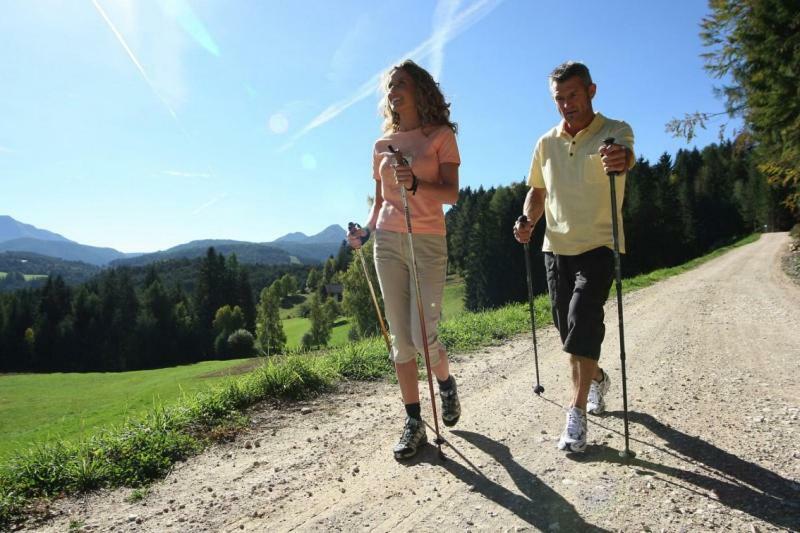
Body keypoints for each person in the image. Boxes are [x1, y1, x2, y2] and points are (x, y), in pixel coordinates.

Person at [514, 61, 634, 453]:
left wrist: (620, 159)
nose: (567, 104)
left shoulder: (615, 132)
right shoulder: (545, 142)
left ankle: (576, 413)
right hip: (556, 247)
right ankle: (596, 377)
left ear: (591, 91)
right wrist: (528, 220)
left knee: (583, 318)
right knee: (568, 332)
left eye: (574, 95)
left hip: (599, 244)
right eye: (559, 98)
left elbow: (624, 157)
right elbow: (538, 190)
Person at [347, 60, 462, 460]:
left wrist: (415, 181)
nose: (393, 91)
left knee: (423, 336)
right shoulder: (380, 146)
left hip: (428, 241)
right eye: (389, 86)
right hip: (388, 243)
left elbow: (451, 194)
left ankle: (445, 384)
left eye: (401, 84)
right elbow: (379, 204)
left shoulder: (440, 135)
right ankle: (414, 421)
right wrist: (364, 231)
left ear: (419, 90)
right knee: (401, 338)